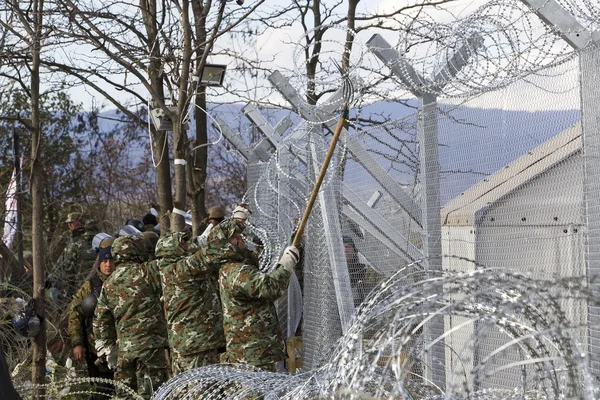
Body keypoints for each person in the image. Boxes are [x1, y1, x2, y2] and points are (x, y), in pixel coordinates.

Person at [203, 218, 299, 371]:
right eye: (234, 237)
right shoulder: (237, 272)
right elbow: (271, 287)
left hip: (253, 351)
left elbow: (254, 261)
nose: (240, 237)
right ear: (225, 245)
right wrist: (286, 265)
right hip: (253, 353)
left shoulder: (232, 268)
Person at [94, 235, 168, 399]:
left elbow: (101, 320)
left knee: (126, 395)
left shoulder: (109, 283)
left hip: (125, 352)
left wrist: (108, 348)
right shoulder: (148, 271)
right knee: (152, 394)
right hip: (150, 349)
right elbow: (171, 264)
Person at [155, 232, 225, 374]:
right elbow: (209, 254)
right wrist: (233, 224)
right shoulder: (181, 268)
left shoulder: (172, 268)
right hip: (195, 345)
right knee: (201, 391)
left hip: (191, 344)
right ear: (173, 250)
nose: (188, 246)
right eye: (183, 244)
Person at [67, 246, 115, 397]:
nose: (108, 265)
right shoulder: (90, 286)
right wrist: (77, 343)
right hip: (98, 352)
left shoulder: (122, 281)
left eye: (111, 261)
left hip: (121, 347)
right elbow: (75, 315)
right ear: (99, 263)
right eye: (105, 261)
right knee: (102, 391)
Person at [54, 212, 97, 299]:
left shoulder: (85, 238)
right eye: (68, 223)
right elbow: (61, 258)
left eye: (72, 222)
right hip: (71, 279)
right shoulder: (68, 237)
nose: (69, 225)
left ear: (80, 222)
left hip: (80, 279)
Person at [343, 236, 382, 307]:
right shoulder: (332, 275)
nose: (345, 250)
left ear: (355, 251)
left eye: (348, 247)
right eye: (341, 247)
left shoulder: (367, 272)